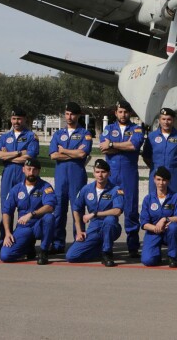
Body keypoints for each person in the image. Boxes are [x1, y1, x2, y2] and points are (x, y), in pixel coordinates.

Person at [99, 100, 144, 258]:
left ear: (129, 113)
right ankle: (106, 246)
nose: (123, 115)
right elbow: (104, 148)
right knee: (108, 209)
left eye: (125, 112)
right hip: (111, 174)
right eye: (120, 112)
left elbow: (134, 146)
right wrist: (121, 145)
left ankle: (132, 246)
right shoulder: (109, 128)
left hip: (129, 174)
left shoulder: (137, 129)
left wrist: (112, 144)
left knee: (131, 210)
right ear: (116, 112)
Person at [49, 101, 93, 253]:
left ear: (78, 115)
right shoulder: (58, 134)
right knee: (59, 210)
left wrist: (64, 150)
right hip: (61, 177)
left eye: (72, 114)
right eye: (67, 114)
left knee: (78, 208)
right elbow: (53, 155)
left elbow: (82, 154)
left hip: (77, 176)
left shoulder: (85, 134)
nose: (69, 117)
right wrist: (72, 153)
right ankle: (57, 243)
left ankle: (78, 239)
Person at [0, 107, 40, 250]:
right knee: (6, 208)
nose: (16, 121)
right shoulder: (4, 137)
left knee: (26, 208)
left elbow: (30, 157)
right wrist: (20, 153)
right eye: (14, 119)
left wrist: (8, 155)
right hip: (8, 175)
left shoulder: (31, 137)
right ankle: (4, 241)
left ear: (25, 119)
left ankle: (27, 244)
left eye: (19, 119)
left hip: (24, 175)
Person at [66, 159, 125, 267]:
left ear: (109, 173)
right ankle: (99, 250)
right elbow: (76, 209)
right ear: (93, 173)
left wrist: (95, 214)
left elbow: (117, 211)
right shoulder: (86, 189)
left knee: (110, 220)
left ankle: (107, 253)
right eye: (97, 172)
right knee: (71, 256)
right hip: (94, 228)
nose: (100, 175)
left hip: (111, 227)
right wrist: (79, 231)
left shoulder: (116, 190)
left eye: (103, 172)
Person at [0, 158, 56, 265]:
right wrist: (7, 233)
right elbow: (7, 211)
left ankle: (44, 251)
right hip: (23, 227)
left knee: (49, 218)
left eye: (34, 170)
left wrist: (32, 214)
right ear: (23, 170)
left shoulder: (45, 187)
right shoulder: (16, 189)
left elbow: (50, 206)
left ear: (39, 171)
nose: (31, 172)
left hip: (38, 225)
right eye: (28, 169)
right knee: (5, 255)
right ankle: (27, 247)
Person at [140, 166, 177, 268]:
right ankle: (156, 254)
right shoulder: (148, 199)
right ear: (154, 179)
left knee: (174, 227)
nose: (161, 183)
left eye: (164, 180)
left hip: (169, 232)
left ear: (168, 181)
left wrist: (165, 219)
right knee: (148, 261)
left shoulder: (176, 197)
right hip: (154, 232)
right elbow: (144, 223)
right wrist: (156, 228)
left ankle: (172, 256)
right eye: (158, 179)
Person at [143, 108, 177, 196]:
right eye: (163, 119)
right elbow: (146, 156)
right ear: (159, 120)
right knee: (154, 200)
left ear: (173, 120)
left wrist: (176, 168)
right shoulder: (152, 136)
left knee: (175, 200)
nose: (166, 122)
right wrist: (154, 167)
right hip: (156, 174)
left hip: (174, 174)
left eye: (169, 119)